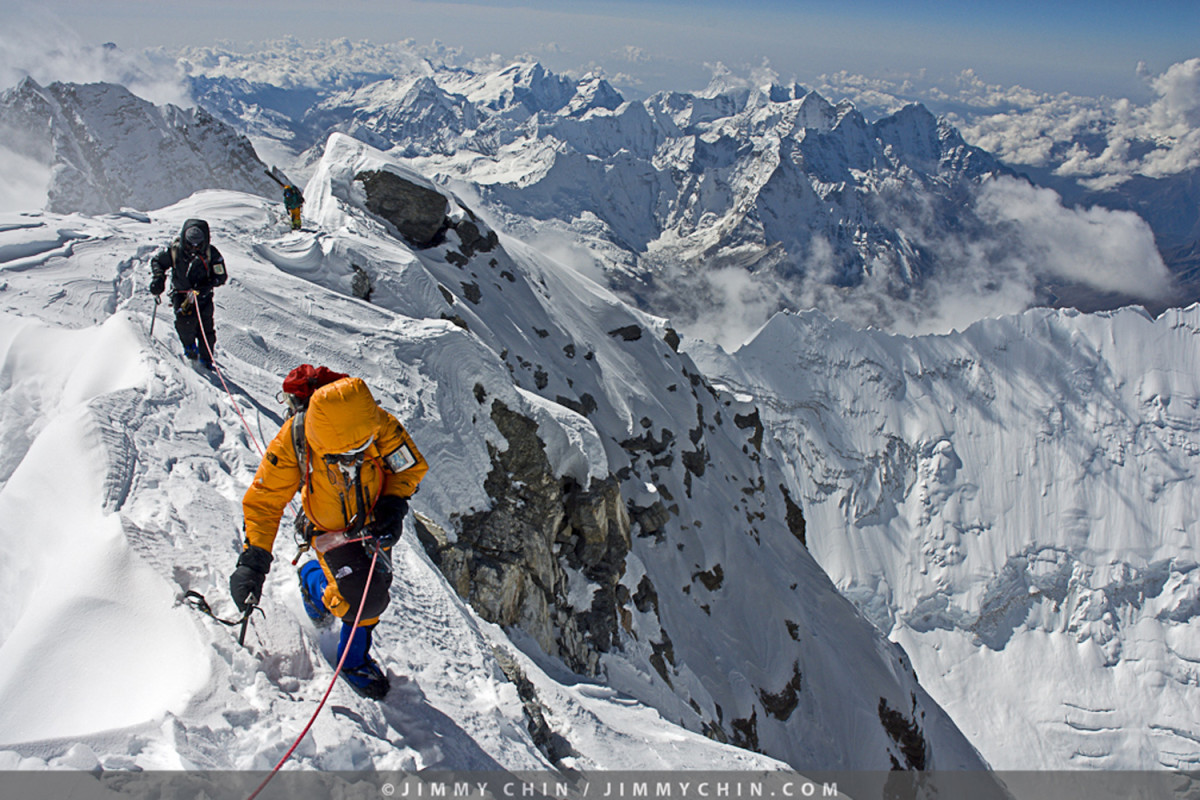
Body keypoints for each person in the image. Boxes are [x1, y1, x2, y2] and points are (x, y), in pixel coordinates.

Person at [230, 369, 429, 699]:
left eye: (360, 450)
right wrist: (253, 560)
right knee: (362, 600)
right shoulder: (295, 439)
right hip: (329, 530)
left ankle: (323, 599)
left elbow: (407, 467)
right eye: (339, 457)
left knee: (376, 587)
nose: (351, 460)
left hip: (373, 521)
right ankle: (341, 638)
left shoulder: (378, 424)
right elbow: (264, 501)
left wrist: (394, 504)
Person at [149, 218, 227, 369]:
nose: (194, 247)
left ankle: (206, 360)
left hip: (203, 296)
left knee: (206, 330)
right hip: (182, 295)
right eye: (191, 244)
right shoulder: (175, 251)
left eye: (198, 244)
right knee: (185, 324)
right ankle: (189, 347)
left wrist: (208, 285)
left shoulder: (212, 254)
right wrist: (158, 278)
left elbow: (221, 276)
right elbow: (157, 262)